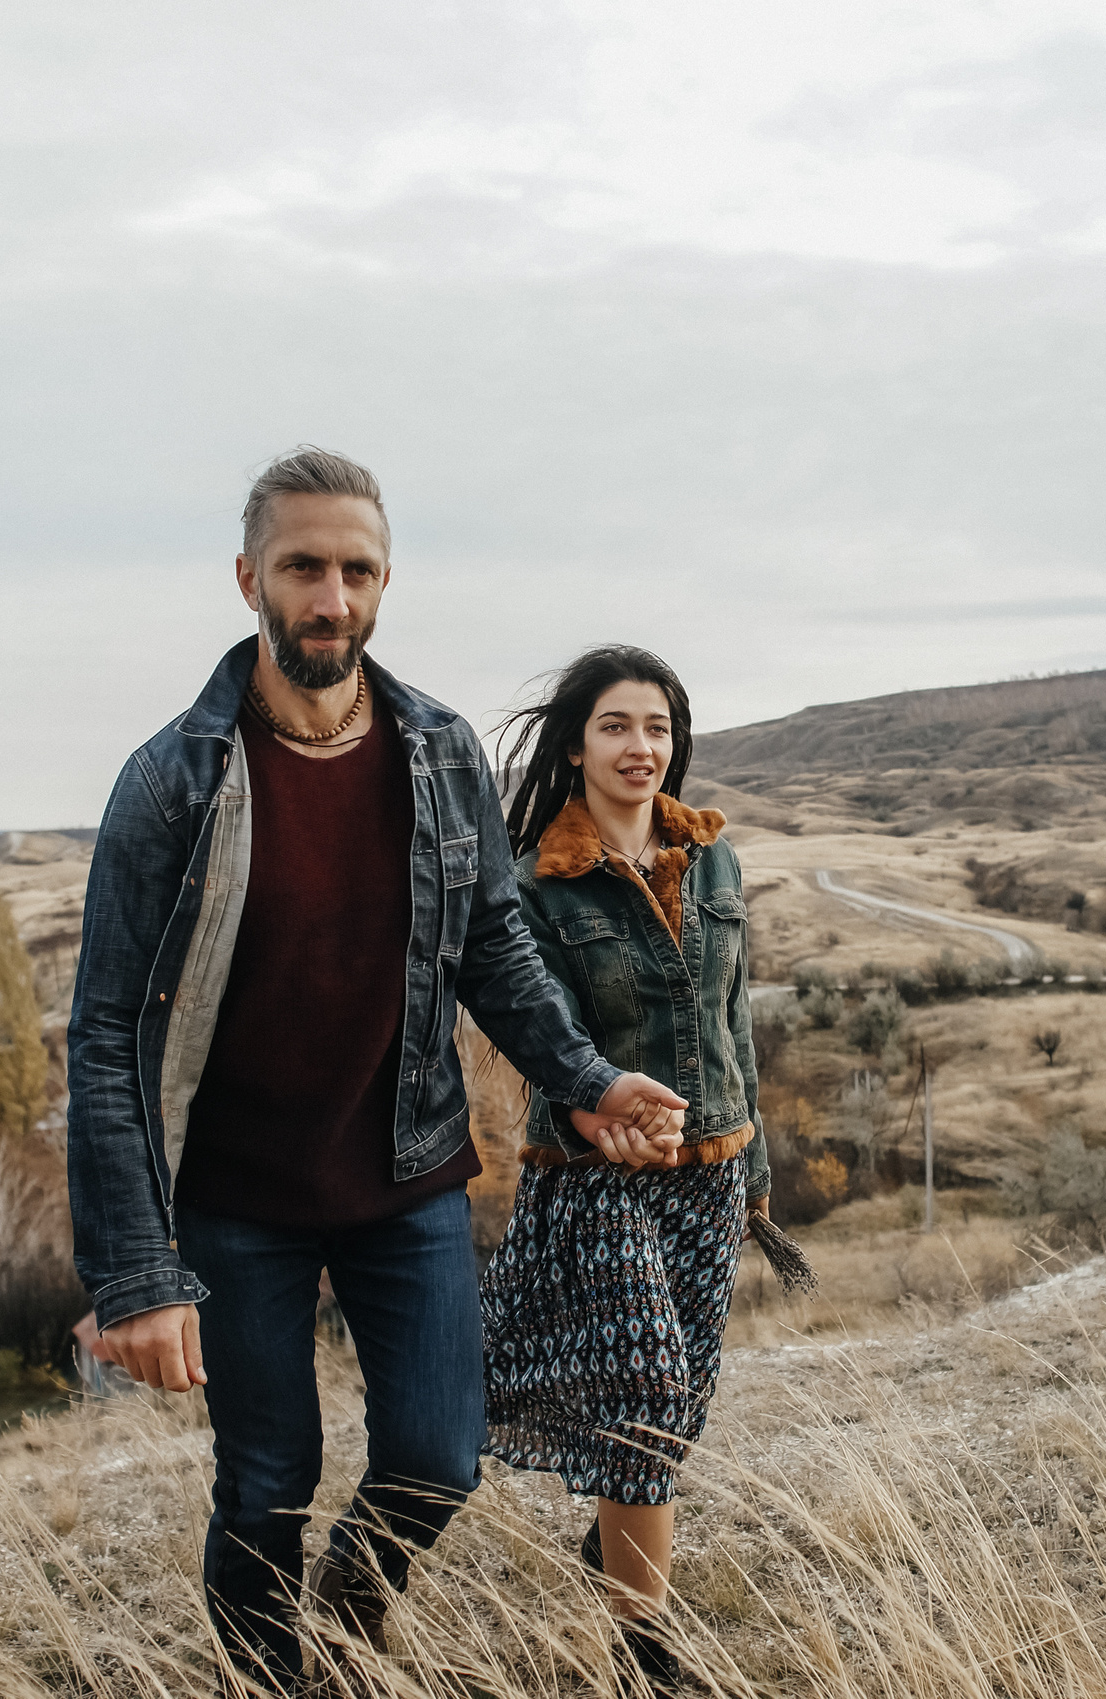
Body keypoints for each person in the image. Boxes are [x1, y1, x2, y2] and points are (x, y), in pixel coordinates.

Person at [64, 449, 690, 1691]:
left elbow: (494, 949)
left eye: (356, 570)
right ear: (249, 578)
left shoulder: (438, 750)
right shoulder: (172, 781)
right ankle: (276, 1675)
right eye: (304, 568)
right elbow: (104, 1039)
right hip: (236, 1204)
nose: (331, 598)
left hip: (404, 1173)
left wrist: (582, 1077)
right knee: (265, 1482)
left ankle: (348, 1609)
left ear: (385, 581)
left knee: (437, 1457)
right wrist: (136, 1273)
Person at [480, 646, 810, 1694]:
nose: (640, 746)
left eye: (657, 727)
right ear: (575, 744)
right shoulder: (535, 880)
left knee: (674, 1409)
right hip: (592, 1177)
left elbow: (731, 1017)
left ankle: (615, 1552)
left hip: (708, 1172)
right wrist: (597, 1120)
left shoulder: (713, 861)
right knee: (647, 1396)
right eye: (617, 725)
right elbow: (546, 1040)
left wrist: (750, 1162)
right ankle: (645, 1656)